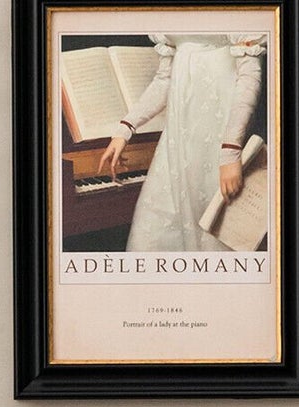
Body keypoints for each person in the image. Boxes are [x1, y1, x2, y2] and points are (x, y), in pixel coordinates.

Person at [97, 33, 265, 252]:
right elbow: (164, 80)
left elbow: (250, 77)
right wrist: (125, 128)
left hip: (220, 134)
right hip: (177, 138)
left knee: (215, 235)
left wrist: (230, 150)